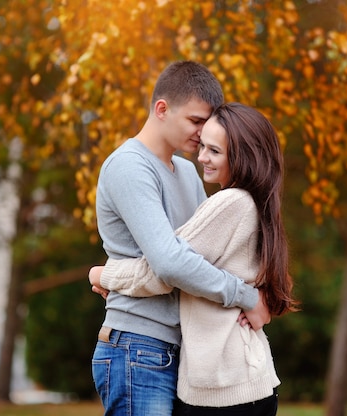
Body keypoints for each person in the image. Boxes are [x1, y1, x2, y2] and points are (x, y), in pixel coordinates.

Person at [92, 103, 298, 416]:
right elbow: (188, 266)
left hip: (223, 390)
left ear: (242, 155)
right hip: (246, 381)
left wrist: (104, 274)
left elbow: (168, 268)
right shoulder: (257, 204)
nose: (201, 157)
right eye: (203, 146)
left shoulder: (229, 203)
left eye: (214, 151)